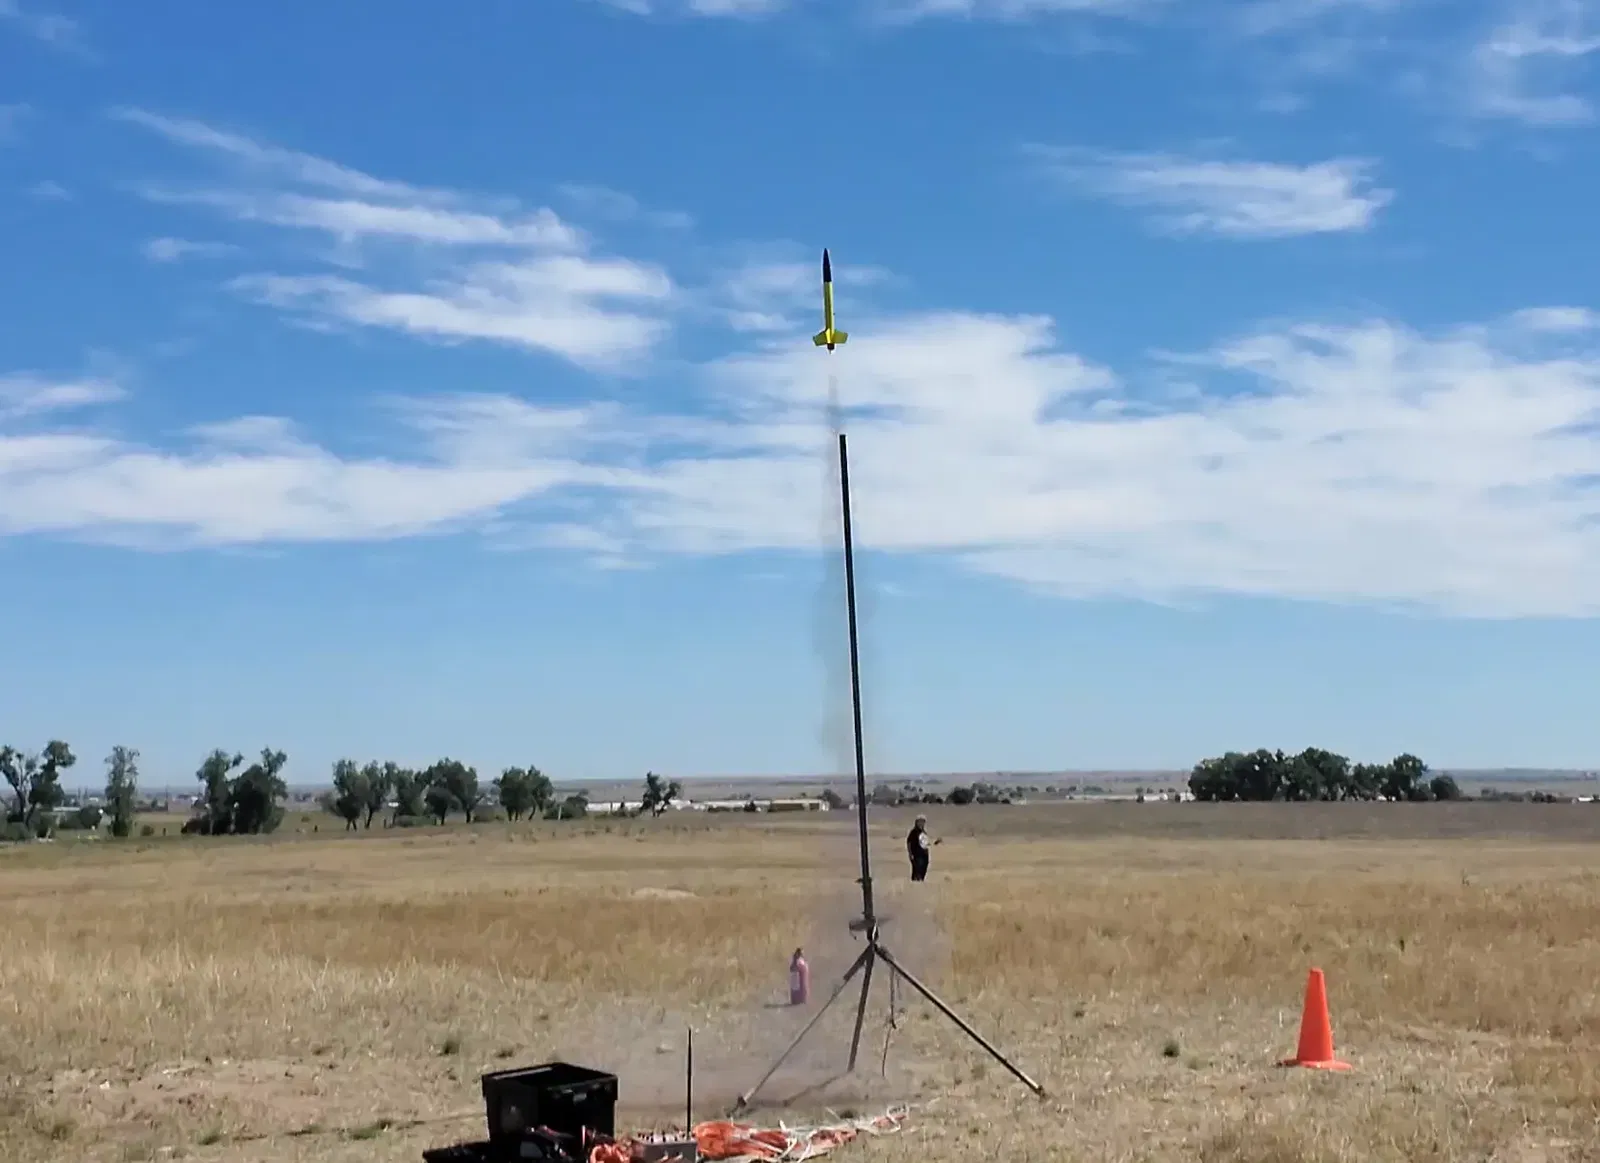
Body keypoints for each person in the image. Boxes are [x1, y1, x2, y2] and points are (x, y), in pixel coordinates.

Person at [906, 814, 939, 882]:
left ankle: (921, 882)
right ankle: (915, 883)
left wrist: (935, 843)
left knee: (924, 869)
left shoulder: (924, 832)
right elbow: (909, 842)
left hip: (924, 854)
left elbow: (925, 842)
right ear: (917, 822)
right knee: (917, 870)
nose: (921, 823)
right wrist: (910, 853)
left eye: (923, 821)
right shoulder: (913, 832)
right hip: (916, 854)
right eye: (920, 821)